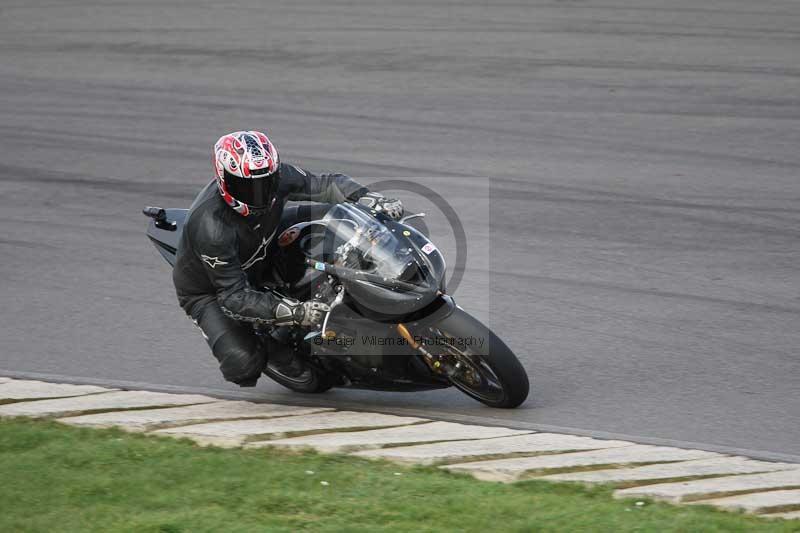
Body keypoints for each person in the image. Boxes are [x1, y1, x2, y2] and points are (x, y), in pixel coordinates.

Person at [172, 130, 403, 387]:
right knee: (243, 364)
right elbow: (233, 296)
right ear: (224, 180)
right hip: (211, 290)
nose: (258, 193)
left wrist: (367, 198)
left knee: (338, 215)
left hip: (266, 239)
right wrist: (296, 313)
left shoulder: (279, 177)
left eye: (265, 182)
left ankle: (372, 278)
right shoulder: (212, 228)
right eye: (246, 186)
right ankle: (267, 341)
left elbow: (325, 184)